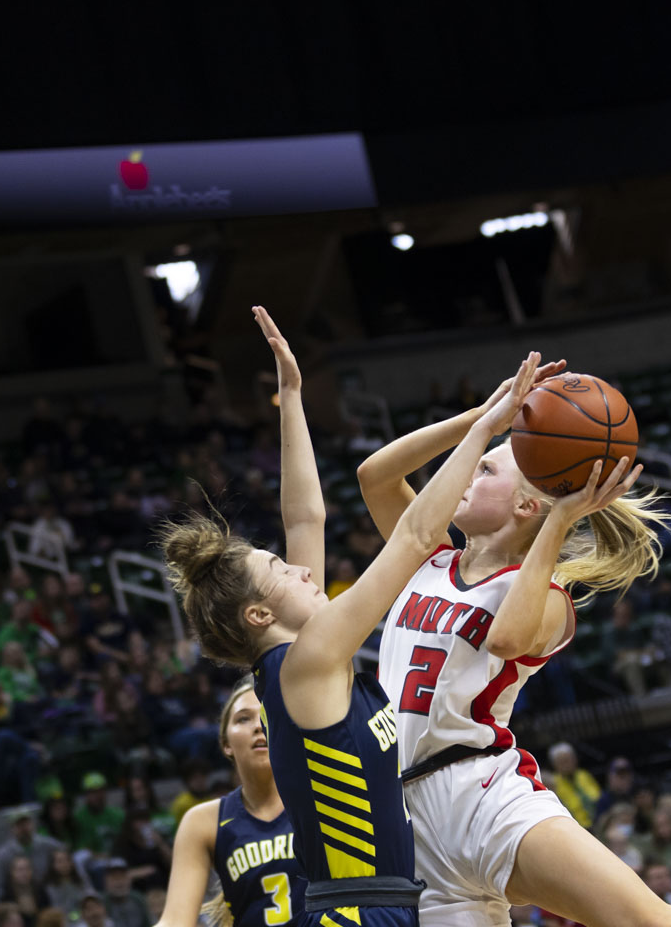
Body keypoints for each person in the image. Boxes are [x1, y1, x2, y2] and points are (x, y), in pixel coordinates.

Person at [360, 368, 671, 927]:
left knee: (655, 923)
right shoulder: (423, 559)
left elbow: (508, 638)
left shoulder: (549, 599)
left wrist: (563, 514)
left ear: (526, 507)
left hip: (482, 793)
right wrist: (482, 421)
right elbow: (375, 475)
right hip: (407, 815)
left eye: (486, 469)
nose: (465, 476)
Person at [163, 307, 509, 927]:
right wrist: (481, 428)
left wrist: (289, 396)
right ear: (260, 612)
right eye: (283, 570)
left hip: (386, 904)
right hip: (359, 913)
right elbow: (416, 534)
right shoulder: (309, 660)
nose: (303, 570)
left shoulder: (304, 659)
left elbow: (304, 520)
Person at [156, 675, 303, 927]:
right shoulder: (202, 821)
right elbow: (175, 921)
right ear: (226, 744)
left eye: (267, 715)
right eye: (243, 718)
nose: (258, 726)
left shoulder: (321, 797)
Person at [0, 809, 60, 904]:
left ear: (33, 824)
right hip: (16, 900)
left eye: (26, 824)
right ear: (12, 829)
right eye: (19, 825)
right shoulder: (2, 855)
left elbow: (65, 855)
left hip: (46, 896)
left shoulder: (48, 845)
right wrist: (5, 903)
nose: (23, 828)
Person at [545, 743, 600, 828]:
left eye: (568, 760)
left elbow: (597, 795)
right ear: (554, 764)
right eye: (562, 762)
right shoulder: (553, 782)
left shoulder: (584, 775)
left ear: (575, 759)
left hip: (597, 820)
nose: (566, 764)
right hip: (576, 826)